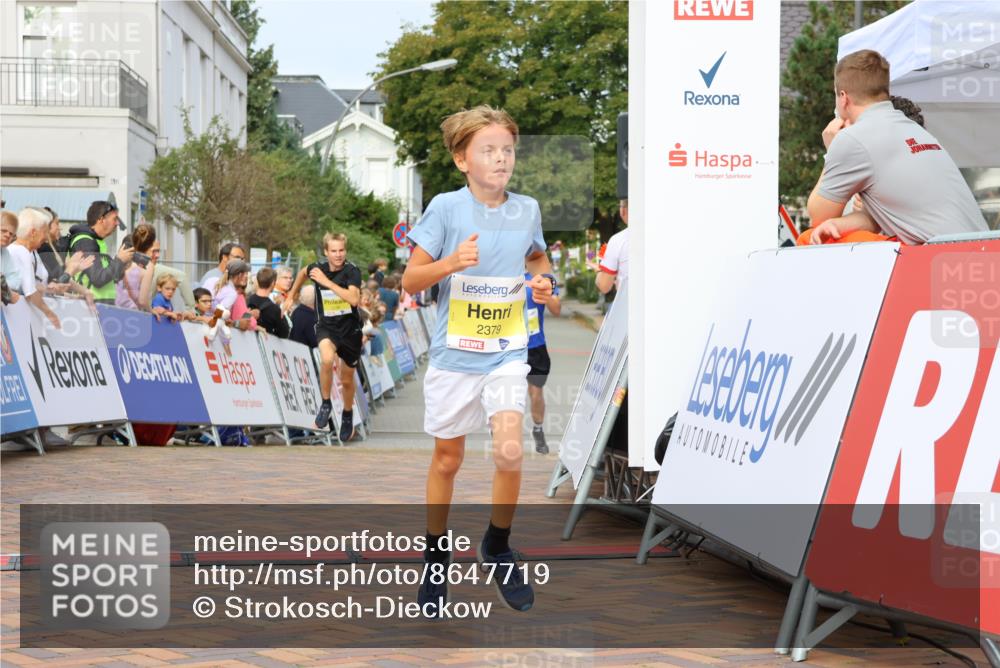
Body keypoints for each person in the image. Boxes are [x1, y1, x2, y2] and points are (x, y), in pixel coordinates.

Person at [402, 105, 554, 616]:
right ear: (462, 159)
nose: (501, 159)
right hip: (454, 355)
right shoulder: (445, 208)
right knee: (448, 459)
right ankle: (435, 557)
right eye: (489, 150)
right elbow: (411, 280)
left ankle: (497, 544)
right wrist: (451, 262)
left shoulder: (527, 208)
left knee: (510, 452)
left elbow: (536, 257)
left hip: (506, 351)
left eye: (508, 149)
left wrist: (543, 280)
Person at [802, 49, 987, 246]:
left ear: (843, 97)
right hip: (983, 249)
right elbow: (875, 219)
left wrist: (831, 151)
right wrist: (840, 224)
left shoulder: (853, 138)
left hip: (943, 258)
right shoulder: (912, 128)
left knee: (807, 239)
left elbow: (818, 217)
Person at [285, 232, 363, 442]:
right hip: (327, 326)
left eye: (341, 250)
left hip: (350, 331)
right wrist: (291, 296)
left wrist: (327, 283)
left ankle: (347, 413)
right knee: (326, 359)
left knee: (347, 380)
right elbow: (302, 273)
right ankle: (326, 403)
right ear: (326, 252)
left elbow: (353, 299)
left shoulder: (352, 271)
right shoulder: (316, 268)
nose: (338, 255)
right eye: (334, 251)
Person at [8, 208, 96, 329]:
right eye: (44, 232)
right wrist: (50, 313)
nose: (46, 236)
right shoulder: (21, 251)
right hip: (20, 321)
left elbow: (40, 285)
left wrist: (58, 291)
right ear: (33, 232)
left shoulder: (30, 252)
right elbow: (29, 293)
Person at [68, 201, 134, 304]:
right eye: (115, 219)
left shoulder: (99, 242)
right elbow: (98, 278)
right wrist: (119, 260)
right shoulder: (85, 241)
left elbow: (112, 278)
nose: (117, 223)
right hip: (90, 305)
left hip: (100, 304)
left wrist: (123, 262)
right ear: (101, 219)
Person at [524, 269, 561, 454]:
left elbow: (556, 310)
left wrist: (546, 293)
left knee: (535, 393)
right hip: (506, 345)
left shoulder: (543, 277)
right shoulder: (503, 273)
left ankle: (538, 429)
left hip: (535, 346)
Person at [115, 223, 159, 311]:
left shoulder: (122, 259)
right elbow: (142, 301)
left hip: (113, 309)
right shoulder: (148, 266)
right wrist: (151, 310)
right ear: (150, 244)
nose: (157, 255)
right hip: (131, 314)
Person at [212, 259, 257, 332]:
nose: (246, 276)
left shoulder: (217, 284)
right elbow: (218, 316)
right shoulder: (232, 294)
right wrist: (238, 323)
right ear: (237, 275)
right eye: (243, 273)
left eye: (246, 273)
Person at [596, 199, 628, 295]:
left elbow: (604, 286)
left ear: (623, 211)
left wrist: (599, 272)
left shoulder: (618, 240)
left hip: (629, 307)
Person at [248, 267, 290, 337]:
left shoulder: (247, 300)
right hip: (265, 344)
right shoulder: (275, 310)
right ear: (273, 283)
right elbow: (284, 333)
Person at [289, 284, 318, 349]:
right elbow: (314, 341)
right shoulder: (311, 317)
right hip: (306, 353)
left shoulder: (297, 311)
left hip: (295, 349)